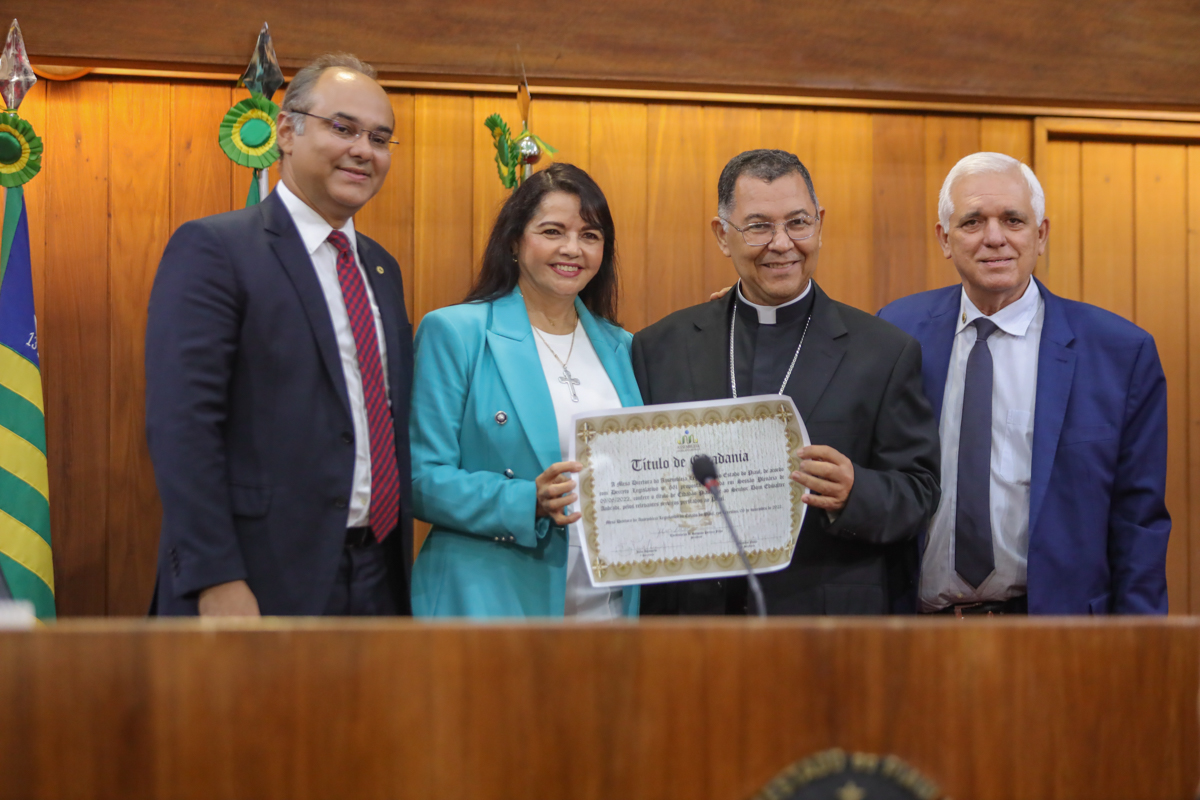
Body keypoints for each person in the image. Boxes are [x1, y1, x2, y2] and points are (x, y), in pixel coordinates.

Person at [145, 54, 413, 616]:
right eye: (343, 128)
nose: (364, 150)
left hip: (376, 573)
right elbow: (183, 427)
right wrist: (215, 576)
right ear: (287, 131)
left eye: (380, 138)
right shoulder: (216, 250)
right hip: (254, 577)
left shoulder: (382, 270)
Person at [632, 149, 941, 615]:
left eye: (798, 222)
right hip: (693, 623)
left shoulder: (883, 351)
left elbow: (919, 491)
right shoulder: (661, 346)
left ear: (819, 223)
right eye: (758, 226)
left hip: (824, 623)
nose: (782, 243)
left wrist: (855, 492)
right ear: (722, 235)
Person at [878, 152, 1170, 615]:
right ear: (945, 239)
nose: (995, 238)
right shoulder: (895, 333)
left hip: (1057, 639)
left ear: (1041, 234)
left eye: (1013, 220)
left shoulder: (1120, 353)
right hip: (919, 637)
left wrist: (1142, 655)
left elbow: (1139, 522)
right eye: (973, 221)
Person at [410, 163, 642, 618]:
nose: (572, 249)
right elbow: (420, 479)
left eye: (591, 236)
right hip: (489, 602)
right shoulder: (457, 333)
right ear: (515, 242)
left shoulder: (624, 347)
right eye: (552, 231)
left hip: (607, 604)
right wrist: (524, 501)